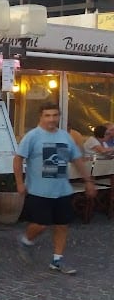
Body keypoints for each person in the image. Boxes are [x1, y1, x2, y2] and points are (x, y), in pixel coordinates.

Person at [14, 102, 96, 275]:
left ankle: (57, 260)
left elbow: (77, 160)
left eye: (54, 115)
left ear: (59, 117)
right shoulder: (33, 136)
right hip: (39, 190)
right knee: (41, 225)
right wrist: (20, 183)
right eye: (47, 115)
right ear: (41, 116)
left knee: (62, 225)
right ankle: (26, 240)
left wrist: (88, 181)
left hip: (62, 190)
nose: (51, 119)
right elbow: (18, 159)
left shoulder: (66, 137)